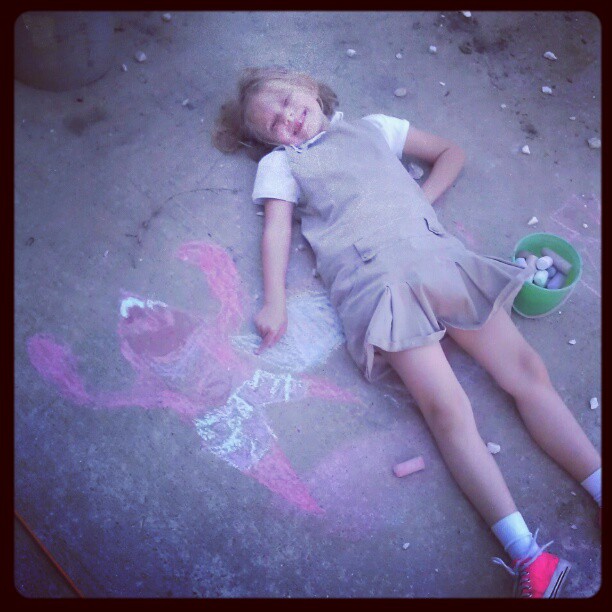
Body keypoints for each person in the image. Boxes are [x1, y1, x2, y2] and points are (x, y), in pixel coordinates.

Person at [213, 66, 601, 598]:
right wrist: (275, 301)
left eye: (286, 100)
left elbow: (450, 153)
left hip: (438, 257)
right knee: (447, 409)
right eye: (273, 124)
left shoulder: (375, 126)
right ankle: (528, 557)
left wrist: (422, 200)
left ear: (308, 87)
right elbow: (276, 229)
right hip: (376, 284)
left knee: (527, 372)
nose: (288, 118)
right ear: (269, 143)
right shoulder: (282, 165)